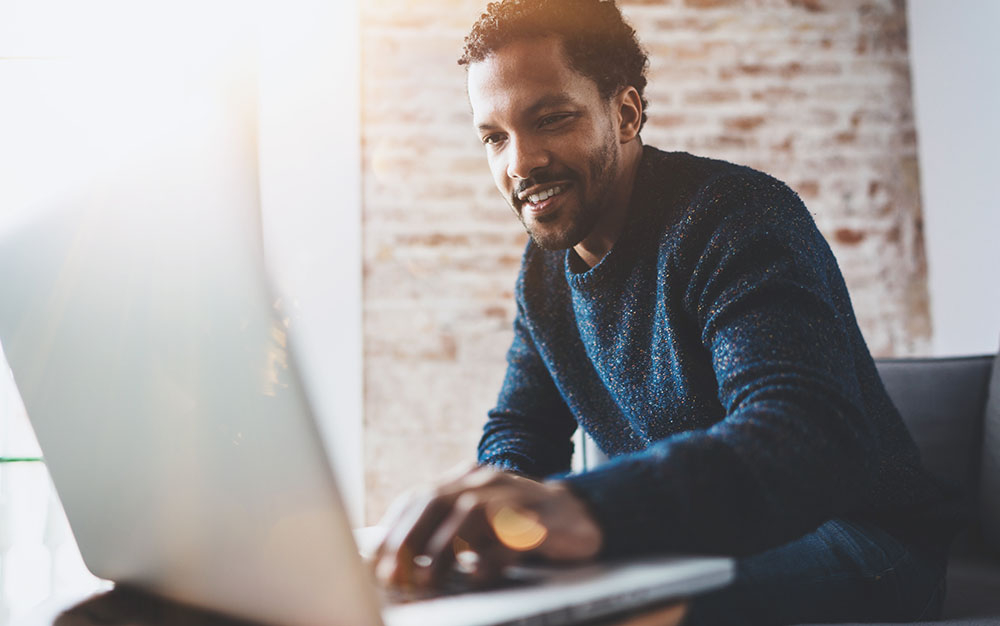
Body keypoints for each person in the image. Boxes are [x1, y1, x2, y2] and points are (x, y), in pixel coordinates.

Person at [373, 1, 961, 623]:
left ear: (624, 114)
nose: (519, 163)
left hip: (866, 542)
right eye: (494, 137)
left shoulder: (736, 217)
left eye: (551, 119)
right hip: (698, 541)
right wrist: (484, 520)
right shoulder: (544, 272)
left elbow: (803, 438)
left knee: (621, 613)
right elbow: (521, 430)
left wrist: (586, 509)